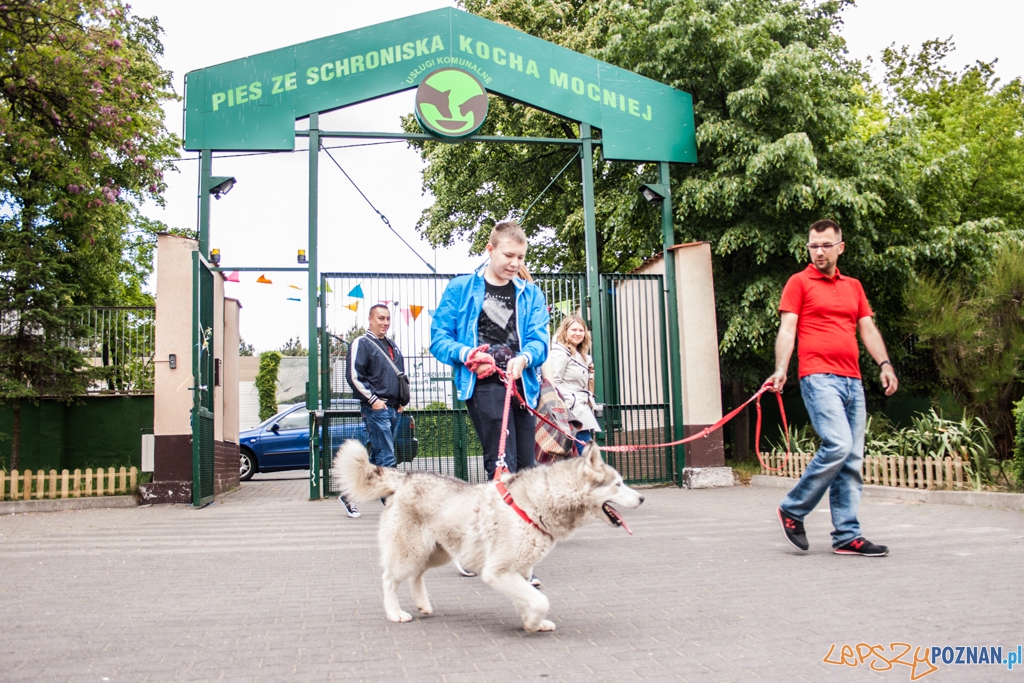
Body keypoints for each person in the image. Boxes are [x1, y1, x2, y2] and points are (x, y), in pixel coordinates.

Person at [768, 219, 899, 557]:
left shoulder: (853, 286)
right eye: (813, 245)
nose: (819, 251)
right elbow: (788, 329)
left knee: (852, 459)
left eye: (826, 245)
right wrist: (781, 368)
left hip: (853, 380)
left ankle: (847, 536)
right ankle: (793, 509)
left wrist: (884, 364)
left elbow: (867, 329)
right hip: (818, 377)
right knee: (839, 445)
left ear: (840, 247)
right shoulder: (799, 282)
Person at [431, 221, 549, 583]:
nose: (515, 263)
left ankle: (498, 551)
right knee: (503, 468)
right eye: (508, 255)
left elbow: (540, 340)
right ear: (490, 249)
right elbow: (439, 338)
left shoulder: (531, 294)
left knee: (527, 470)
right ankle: (498, 557)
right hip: (484, 385)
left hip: (522, 384)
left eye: (521, 257)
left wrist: (525, 358)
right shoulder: (461, 288)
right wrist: (467, 353)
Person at [344, 304, 409, 518]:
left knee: (377, 457)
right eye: (381, 318)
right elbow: (354, 376)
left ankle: (349, 495)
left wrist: (402, 401)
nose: (385, 322)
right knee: (387, 458)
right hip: (377, 409)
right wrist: (373, 401)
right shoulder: (362, 342)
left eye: (388, 318)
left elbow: (400, 374)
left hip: (394, 409)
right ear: (370, 319)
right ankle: (395, 509)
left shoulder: (392, 345)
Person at [545, 314, 600, 451]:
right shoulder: (560, 353)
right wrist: (571, 402)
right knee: (587, 453)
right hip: (571, 411)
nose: (578, 333)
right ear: (565, 331)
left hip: (579, 408)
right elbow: (554, 382)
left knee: (583, 452)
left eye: (581, 330)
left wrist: (590, 372)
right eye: (574, 330)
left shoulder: (580, 354)